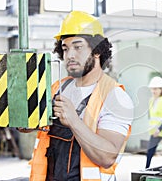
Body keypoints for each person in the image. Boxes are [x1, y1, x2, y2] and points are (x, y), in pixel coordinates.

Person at [20, 11, 134, 180]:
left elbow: (107, 157)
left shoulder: (115, 96)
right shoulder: (58, 86)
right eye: (65, 49)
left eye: (78, 47)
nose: (70, 55)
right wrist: (25, 119)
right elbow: (28, 126)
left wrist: (73, 120)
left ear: (96, 50)